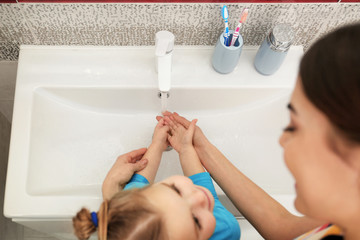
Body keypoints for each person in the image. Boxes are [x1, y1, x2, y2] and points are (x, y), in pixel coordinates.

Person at [157, 23, 360, 240]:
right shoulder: (343, 222)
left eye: (294, 127)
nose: (283, 139)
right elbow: (282, 227)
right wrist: (202, 150)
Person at [73, 118, 240, 240]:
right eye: (195, 221)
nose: (200, 197)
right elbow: (205, 187)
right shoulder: (226, 230)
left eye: (176, 190)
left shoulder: (138, 211)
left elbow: (140, 178)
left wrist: (158, 143)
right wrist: (186, 149)